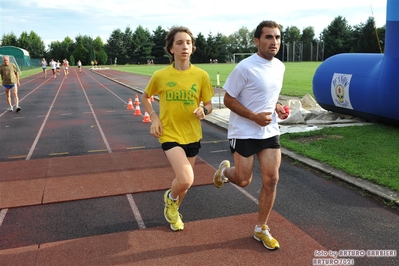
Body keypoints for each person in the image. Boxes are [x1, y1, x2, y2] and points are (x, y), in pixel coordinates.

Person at [213, 20, 289, 250]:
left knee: (271, 179)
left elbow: (268, 94)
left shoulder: (280, 67)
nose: (273, 41)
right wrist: (253, 116)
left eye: (277, 37)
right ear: (257, 41)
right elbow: (228, 99)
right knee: (244, 180)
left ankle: (261, 228)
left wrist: (277, 106)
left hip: (268, 131)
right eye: (268, 37)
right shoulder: (245, 67)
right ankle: (225, 171)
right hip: (244, 131)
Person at [141, 26, 214, 231]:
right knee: (186, 178)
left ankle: (174, 211)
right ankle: (170, 198)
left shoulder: (201, 76)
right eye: (179, 43)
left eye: (188, 43)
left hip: (192, 134)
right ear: (171, 49)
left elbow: (208, 104)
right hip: (169, 134)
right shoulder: (161, 75)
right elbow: (145, 97)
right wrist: (154, 118)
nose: (185, 46)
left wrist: (204, 111)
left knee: (185, 183)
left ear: (193, 48)